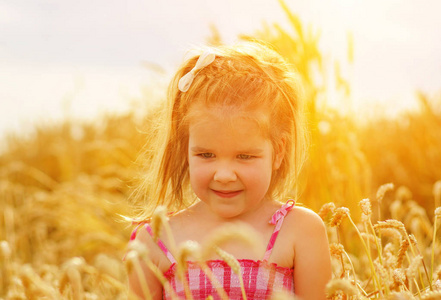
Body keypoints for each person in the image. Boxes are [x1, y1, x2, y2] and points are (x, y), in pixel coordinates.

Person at [126, 41, 332, 300]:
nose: (224, 175)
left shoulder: (300, 230)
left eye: (244, 156)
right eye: (206, 155)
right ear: (185, 149)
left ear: (278, 152)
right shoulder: (155, 241)